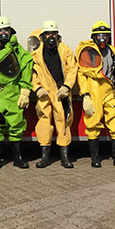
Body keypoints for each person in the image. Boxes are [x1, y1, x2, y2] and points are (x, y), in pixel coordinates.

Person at [75, 21, 115, 169]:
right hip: (94, 90)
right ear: (93, 36)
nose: (102, 38)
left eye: (105, 35)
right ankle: (95, 158)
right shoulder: (87, 52)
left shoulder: (113, 52)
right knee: (93, 122)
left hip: (110, 90)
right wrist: (85, 95)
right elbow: (82, 75)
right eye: (99, 35)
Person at [0, 16, 34, 169]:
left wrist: (25, 91)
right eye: (0, 31)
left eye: (6, 30)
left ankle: (18, 158)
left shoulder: (18, 50)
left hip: (13, 93)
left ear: (11, 31)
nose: (3, 33)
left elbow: (26, 66)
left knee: (16, 125)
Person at [29, 21, 78, 168]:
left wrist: (67, 86)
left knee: (63, 122)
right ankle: (45, 157)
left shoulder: (65, 50)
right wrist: (37, 88)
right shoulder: (36, 54)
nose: (51, 36)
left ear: (58, 35)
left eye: (54, 33)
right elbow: (32, 73)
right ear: (43, 36)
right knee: (44, 122)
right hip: (44, 93)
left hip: (60, 91)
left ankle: (65, 157)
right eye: (48, 34)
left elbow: (72, 69)